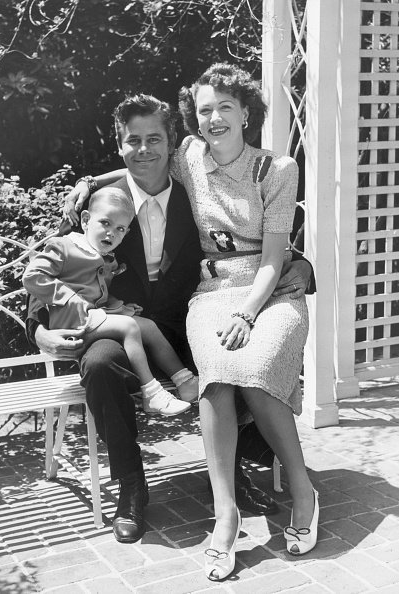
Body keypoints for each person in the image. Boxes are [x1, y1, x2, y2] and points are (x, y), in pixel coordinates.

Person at [28, 93, 312, 546]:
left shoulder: (198, 195)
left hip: (186, 322)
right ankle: (131, 487)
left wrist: (303, 269)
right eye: (132, 141)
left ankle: (232, 473)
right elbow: (54, 276)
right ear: (119, 145)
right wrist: (41, 331)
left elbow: (250, 246)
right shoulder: (100, 207)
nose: (144, 151)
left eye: (154, 139)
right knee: (99, 366)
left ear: (173, 141)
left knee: (226, 348)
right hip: (120, 328)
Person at [168, 62, 316, 581]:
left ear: (246, 112)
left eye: (224, 107)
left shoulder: (276, 168)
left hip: (268, 292)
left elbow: (275, 259)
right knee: (216, 379)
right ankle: (225, 514)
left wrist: (247, 312)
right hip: (210, 292)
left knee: (253, 368)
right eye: (204, 109)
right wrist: (96, 180)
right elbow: (142, 173)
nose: (213, 119)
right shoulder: (188, 156)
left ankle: (303, 491)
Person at [23, 187, 197, 416]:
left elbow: (98, 293)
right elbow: (32, 276)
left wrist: (120, 306)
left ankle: (185, 381)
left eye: (120, 229)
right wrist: (69, 298)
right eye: (105, 223)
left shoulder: (105, 258)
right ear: (85, 220)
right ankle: (152, 393)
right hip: (70, 322)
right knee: (130, 327)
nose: (111, 233)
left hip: (93, 316)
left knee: (149, 326)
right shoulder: (64, 246)